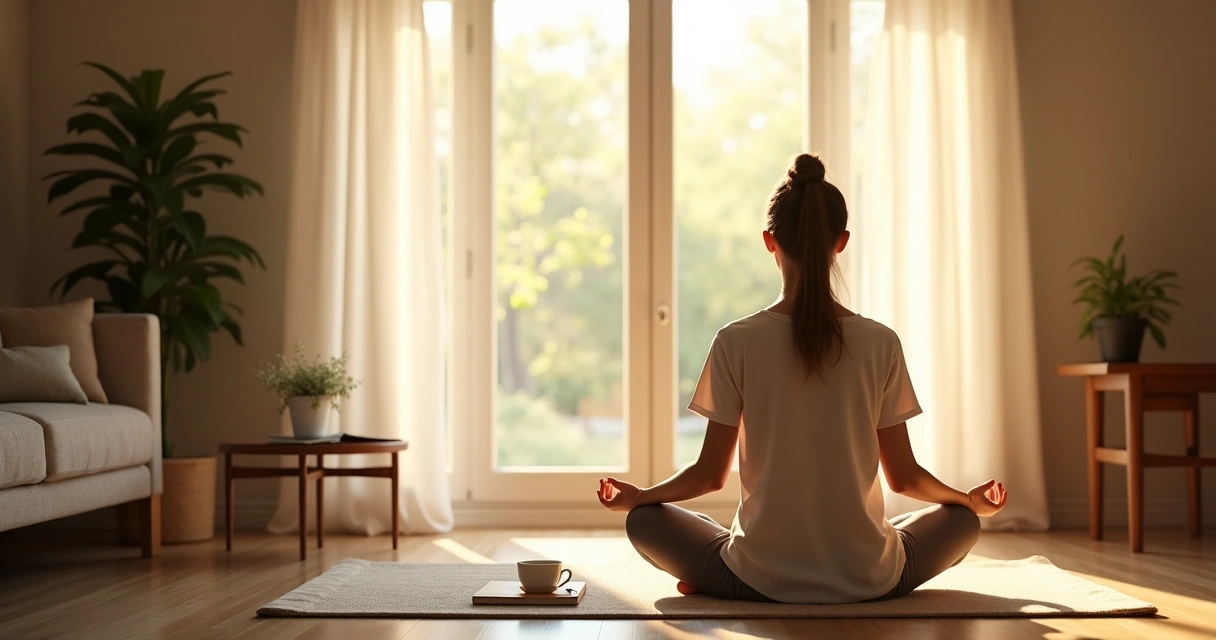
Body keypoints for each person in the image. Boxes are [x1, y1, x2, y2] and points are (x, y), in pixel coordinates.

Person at [595, 153, 1008, 604]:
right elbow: (905, 479)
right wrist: (967, 501)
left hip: (759, 580)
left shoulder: (736, 340)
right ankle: (818, 563)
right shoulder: (880, 342)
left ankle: (718, 577)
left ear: (769, 241)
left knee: (645, 520)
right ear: (842, 242)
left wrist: (641, 496)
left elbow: (710, 476)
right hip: (870, 579)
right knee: (961, 521)